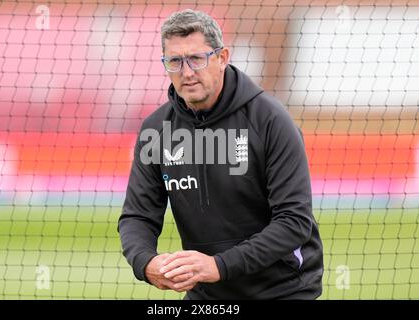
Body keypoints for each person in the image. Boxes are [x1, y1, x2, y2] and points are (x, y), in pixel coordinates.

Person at [118, 9, 323, 299]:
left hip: (282, 291)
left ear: (222, 58)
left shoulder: (271, 121)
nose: (187, 72)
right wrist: (146, 262)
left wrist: (219, 265)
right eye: (175, 61)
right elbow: (138, 216)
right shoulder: (156, 130)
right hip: (208, 294)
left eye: (197, 59)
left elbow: (293, 222)